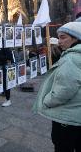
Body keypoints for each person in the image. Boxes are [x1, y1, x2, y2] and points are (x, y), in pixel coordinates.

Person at [33, 22, 81, 152]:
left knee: (62, 147)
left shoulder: (71, 58)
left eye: (63, 37)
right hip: (76, 115)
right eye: (58, 37)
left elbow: (64, 90)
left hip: (67, 118)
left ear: (75, 38)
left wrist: (47, 101)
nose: (59, 41)